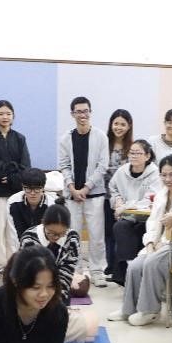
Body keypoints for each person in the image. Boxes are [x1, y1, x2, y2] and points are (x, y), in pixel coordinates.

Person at [108, 155, 172, 325]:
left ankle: (149, 311)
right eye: (164, 175)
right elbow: (153, 222)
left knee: (152, 262)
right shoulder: (161, 195)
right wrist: (151, 243)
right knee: (135, 265)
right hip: (161, 244)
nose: (168, 179)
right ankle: (128, 309)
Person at [57, 96, 109, 286]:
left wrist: (87, 187)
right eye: (78, 111)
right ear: (72, 114)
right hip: (72, 195)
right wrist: (72, 188)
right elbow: (64, 166)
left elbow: (103, 166)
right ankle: (75, 271)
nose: (82, 115)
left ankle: (97, 271)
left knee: (97, 236)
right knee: (73, 235)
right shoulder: (65, 138)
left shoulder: (101, 137)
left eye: (85, 111)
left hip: (94, 194)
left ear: (90, 112)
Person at [0, 99, 30, 274]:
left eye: (8, 113)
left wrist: (11, 178)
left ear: (13, 116)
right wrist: (5, 173)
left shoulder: (20, 138)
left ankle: (14, 266)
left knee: (13, 232)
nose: (5, 117)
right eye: (1, 113)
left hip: (15, 191)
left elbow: (25, 165)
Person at [108, 139, 159, 282]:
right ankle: (125, 270)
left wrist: (125, 207)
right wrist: (117, 200)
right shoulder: (122, 171)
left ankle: (136, 271)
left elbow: (149, 200)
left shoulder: (155, 174)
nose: (133, 156)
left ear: (147, 156)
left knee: (140, 229)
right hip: (128, 217)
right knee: (120, 227)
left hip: (147, 218)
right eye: (131, 153)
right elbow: (113, 188)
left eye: (138, 153)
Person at [19, 203, 79, 302]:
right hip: (33, 288)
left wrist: (58, 298)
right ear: (43, 223)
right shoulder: (29, 238)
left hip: (59, 289)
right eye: (51, 232)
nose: (56, 237)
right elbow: (27, 273)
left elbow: (67, 271)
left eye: (61, 233)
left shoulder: (72, 238)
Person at [102, 109, 135, 280]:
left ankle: (120, 268)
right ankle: (110, 266)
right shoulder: (104, 144)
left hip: (125, 199)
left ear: (129, 126)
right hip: (105, 196)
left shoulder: (133, 148)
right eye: (116, 123)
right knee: (108, 233)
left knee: (122, 232)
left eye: (123, 124)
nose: (119, 127)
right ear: (111, 125)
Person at [10, 168, 51, 241]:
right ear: (22, 187)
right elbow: (13, 234)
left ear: (43, 187)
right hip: (21, 244)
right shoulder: (13, 202)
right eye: (28, 189)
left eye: (37, 189)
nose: (32, 193)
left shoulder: (51, 205)